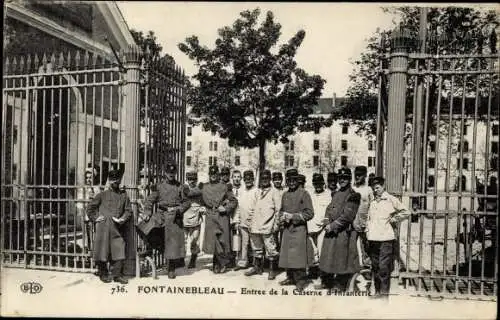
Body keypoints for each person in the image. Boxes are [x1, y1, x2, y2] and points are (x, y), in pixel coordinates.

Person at [142, 163, 191, 279]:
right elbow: (149, 201)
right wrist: (147, 213)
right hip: (161, 215)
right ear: (165, 173)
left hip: (175, 217)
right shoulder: (159, 186)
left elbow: (187, 202)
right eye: (169, 173)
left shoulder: (181, 187)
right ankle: (149, 252)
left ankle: (171, 267)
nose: (171, 175)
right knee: (145, 228)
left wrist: (180, 209)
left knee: (173, 243)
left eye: (173, 173)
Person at [317, 167, 361, 291]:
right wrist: (326, 220)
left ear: (349, 179)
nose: (342, 180)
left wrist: (332, 226)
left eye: (345, 178)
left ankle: (340, 283)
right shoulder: (336, 193)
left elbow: (347, 216)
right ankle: (328, 281)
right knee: (328, 257)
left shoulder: (353, 195)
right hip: (330, 230)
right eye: (340, 178)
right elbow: (329, 208)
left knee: (341, 258)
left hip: (343, 232)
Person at [366, 177, 410, 299]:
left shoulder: (391, 199)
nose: (375, 190)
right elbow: (369, 219)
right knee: (375, 267)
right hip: (373, 239)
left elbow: (406, 212)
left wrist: (394, 219)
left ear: (383, 187)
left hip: (386, 239)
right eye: (373, 188)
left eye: (377, 188)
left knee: (383, 268)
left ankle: (384, 295)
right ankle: (378, 292)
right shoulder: (373, 201)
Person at [86, 170, 132, 284]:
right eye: (112, 180)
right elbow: (90, 208)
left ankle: (117, 275)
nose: (114, 182)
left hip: (117, 228)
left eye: (117, 180)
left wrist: (122, 219)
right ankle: (103, 273)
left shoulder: (124, 196)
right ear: (109, 181)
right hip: (103, 228)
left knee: (118, 250)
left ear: (119, 181)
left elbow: (128, 210)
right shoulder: (102, 195)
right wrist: (96, 218)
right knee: (102, 251)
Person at [277, 169, 314, 290]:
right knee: (287, 255)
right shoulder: (285, 194)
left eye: (294, 180)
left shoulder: (304, 193)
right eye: (289, 180)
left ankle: (301, 280)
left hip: (299, 229)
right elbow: (281, 210)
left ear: (298, 180)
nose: (291, 183)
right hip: (287, 229)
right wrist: (281, 217)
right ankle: (290, 277)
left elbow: (309, 213)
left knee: (298, 256)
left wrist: (293, 216)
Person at [200, 165, 238, 274]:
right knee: (213, 239)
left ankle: (221, 262)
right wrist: (186, 188)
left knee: (222, 239)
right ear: (209, 175)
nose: (213, 176)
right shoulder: (204, 187)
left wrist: (225, 208)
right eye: (211, 174)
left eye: (215, 174)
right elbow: (193, 195)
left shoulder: (224, 187)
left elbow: (234, 201)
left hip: (222, 215)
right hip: (210, 215)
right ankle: (217, 262)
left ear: (218, 174)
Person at [246, 170, 282, 280]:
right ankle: (257, 267)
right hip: (256, 225)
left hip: (268, 225)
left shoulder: (274, 192)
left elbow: (278, 210)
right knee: (256, 247)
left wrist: (276, 225)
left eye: (266, 178)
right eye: (262, 178)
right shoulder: (257, 192)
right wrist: (250, 222)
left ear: (270, 179)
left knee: (271, 249)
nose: (264, 180)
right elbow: (252, 208)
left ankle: (272, 270)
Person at [233, 170, 259, 271]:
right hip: (243, 222)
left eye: (250, 179)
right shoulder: (242, 192)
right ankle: (242, 262)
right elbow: (238, 207)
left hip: (254, 223)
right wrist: (237, 220)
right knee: (244, 243)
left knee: (255, 243)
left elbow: (259, 207)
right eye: (246, 179)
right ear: (244, 180)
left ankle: (256, 264)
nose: (248, 181)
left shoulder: (257, 191)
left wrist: (254, 219)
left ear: (253, 179)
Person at [307, 173, 331, 280]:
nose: (318, 185)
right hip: (310, 226)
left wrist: (327, 220)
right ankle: (313, 271)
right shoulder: (309, 195)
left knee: (322, 250)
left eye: (320, 183)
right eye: (316, 183)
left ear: (323, 183)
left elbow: (331, 210)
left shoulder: (328, 194)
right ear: (313, 184)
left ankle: (323, 274)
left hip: (322, 227)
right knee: (312, 250)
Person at [183, 171, 206, 269]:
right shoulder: (184, 189)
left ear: (196, 180)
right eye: (190, 179)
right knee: (183, 240)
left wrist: (203, 208)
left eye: (194, 179)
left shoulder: (201, 191)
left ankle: (193, 259)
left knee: (194, 241)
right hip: (184, 218)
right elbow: (186, 196)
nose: (192, 181)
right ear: (187, 180)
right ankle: (181, 259)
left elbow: (204, 201)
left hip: (196, 219)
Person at [352, 166, 374, 269]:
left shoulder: (369, 190)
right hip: (352, 223)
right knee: (351, 246)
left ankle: (367, 267)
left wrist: (370, 221)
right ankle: (353, 268)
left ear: (365, 176)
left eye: (360, 175)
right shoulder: (352, 189)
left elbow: (373, 206)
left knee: (366, 246)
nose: (357, 177)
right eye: (356, 174)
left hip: (365, 223)